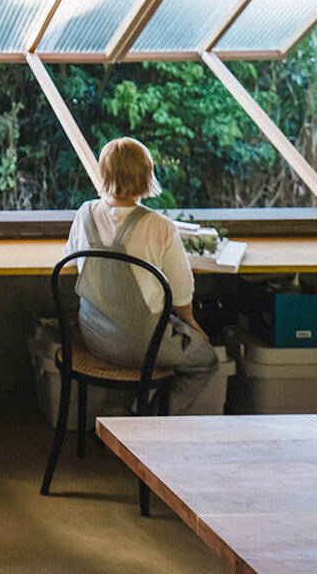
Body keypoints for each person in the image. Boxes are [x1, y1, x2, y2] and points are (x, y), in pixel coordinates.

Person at [65, 136, 219, 414]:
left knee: (127, 341)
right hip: (144, 345)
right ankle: (147, 417)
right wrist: (192, 323)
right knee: (206, 359)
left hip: (96, 338)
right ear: (147, 175)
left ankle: (116, 417)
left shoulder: (84, 213)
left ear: (104, 172)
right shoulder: (159, 226)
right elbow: (181, 292)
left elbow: (71, 259)